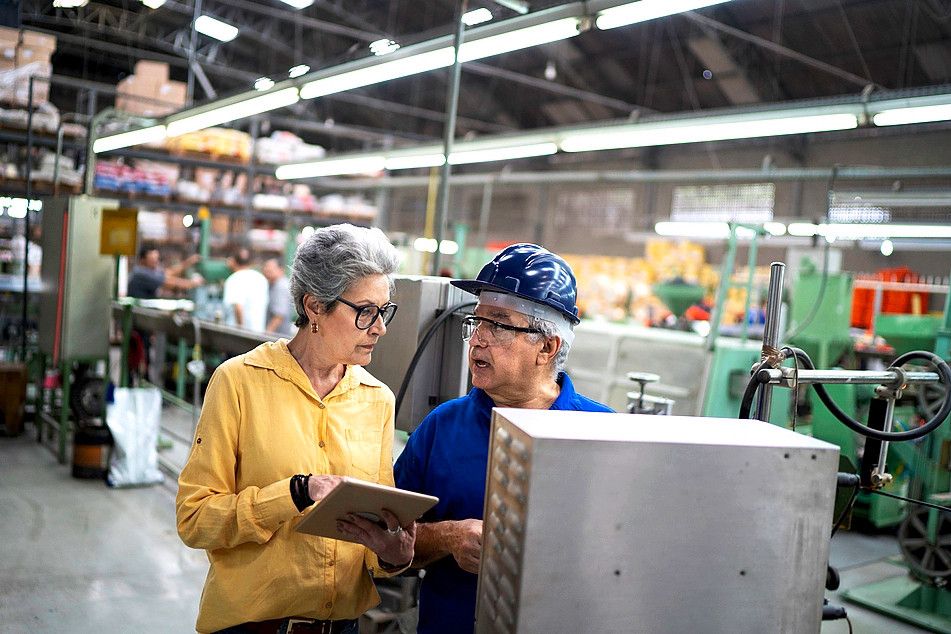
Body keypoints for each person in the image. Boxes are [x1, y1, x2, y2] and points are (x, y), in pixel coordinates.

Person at [176, 224, 415, 634]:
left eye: (384, 311)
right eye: (365, 312)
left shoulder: (377, 399)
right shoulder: (239, 382)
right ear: (315, 306)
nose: (380, 328)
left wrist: (392, 553)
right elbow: (195, 518)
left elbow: (377, 535)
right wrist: (295, 493)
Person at [394, 243, 613, 633]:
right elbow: (387, 540)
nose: (478, 339)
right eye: (476, 323)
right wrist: (446, 537)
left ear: (547, 347)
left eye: (499, 324)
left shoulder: (604, 434)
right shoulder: (442, 427)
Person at [127, 246, 202, 299]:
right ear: (142, 260)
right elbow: (168, 282)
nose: (156, 263)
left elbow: (167, 273)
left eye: (157, 260)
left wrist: (188, 262)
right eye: (152, 261)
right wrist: (192, 283)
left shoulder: (143, 270)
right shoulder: (142, 273)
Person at [223, 247, 268, 331]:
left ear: (233, 261)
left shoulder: (234, 278)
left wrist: (241, 332)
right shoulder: (261, 278)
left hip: (238, 334)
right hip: (257, 332)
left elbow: (238, 307)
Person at [262, 257, 295, 336]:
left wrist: (266, 334)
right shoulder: (273, 284)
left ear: (281, 270)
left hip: (277, 336)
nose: (266, 270)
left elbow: (279, 315)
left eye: (270, 268)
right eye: (265, 267)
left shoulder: (280, 286)